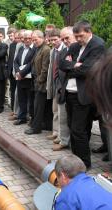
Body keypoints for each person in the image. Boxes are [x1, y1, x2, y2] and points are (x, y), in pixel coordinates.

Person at [59, 20, 105, 168]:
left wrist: (71, 66)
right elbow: (61, 64)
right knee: (75, 129)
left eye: (80, 36)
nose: (78, 39)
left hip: (85, 94)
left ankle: (84, 163)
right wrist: (75, 65)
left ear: (89, 31)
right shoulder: (74, 46)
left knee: (79, 130)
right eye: (76, 36)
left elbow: (87, 70)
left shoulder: (97, 45)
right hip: (70, 93)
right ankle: (76, 159)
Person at [52, 27, 75, 151]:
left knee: (75, 122)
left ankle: (73, 142)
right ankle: (64, 141)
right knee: (62, 117)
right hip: (63, 90)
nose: (65, 41)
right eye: (63, 38)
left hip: (77, 92)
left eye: (67, 38)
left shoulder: (81, 51)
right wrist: (58, 86)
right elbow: (57, 71)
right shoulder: (62, 51)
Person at [25, 30, 51, 135]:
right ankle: (45, 125)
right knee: (39, 106)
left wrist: (39, 80)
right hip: (36, 81)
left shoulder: (46, 50)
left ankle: (36, 128)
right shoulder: (38, 49)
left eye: (35, 39)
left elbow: (45, 69)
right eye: (33, 39)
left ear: (42, 38)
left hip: (41, 83)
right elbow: (32, 63)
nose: (34, 41)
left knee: (38, 106)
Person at [46, 28, 65, 141]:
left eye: (55, 40)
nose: (53, 42)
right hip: (53, 84)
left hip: (61, 85)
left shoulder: (64, 50)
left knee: (61, 113)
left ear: (60, 39)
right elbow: (50, 69)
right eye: (51, 40)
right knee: (55, 110)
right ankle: (55, 132)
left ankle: (61, 136)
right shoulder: (53, 51)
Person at [13, 30, 35, 125]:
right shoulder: (21, 48)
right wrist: (18, 72)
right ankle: (22, 117)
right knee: (21, 99)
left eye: (29, 38)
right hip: (20, 77)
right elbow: (16, 61)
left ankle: (31, 118)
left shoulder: (34, 49)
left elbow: (31, 63)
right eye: (25, 38)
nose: (27, 40)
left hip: (29, 78)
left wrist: (21, 73)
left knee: (30, 100)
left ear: (32, 38)